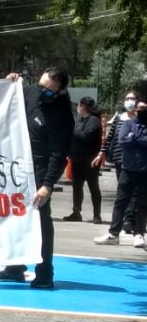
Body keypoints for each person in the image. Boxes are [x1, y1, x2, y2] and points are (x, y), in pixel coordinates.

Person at [0, 68, 73, 289]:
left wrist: (48, 185)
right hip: (16, 166)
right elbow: (9, 96)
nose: (43, 92)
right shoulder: (31, 92)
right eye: (41, 86)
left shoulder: (62, 115)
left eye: (49, 91)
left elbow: (59, 153)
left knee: (41, 221)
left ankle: (45, 273)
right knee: (13, 218)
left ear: (60, 92)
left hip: (39, 171)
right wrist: (10, 82)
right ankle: (14, 268)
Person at [93, 99, 147, 248]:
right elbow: (123, 141)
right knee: (120, 202)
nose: (142, 111)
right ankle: (113, 234)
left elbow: (133, 140)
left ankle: (139, 233)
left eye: (145, 108)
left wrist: (133, 137)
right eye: (140, 109)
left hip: (144, 172)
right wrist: (139, 140)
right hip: (127, 170)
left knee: (142, 203)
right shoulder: (127, 124)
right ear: (135, 110)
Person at [61, 96, 102, 224]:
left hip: (90, 160)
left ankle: (97, 215)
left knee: (93, 187)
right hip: (77, 159)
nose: (77, 108)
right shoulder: (79, 120)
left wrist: (72, 131)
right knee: (77, 187)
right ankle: (76, 212)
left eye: (79, 105)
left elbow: (86, 136)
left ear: (83, 106)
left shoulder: (94, 120)